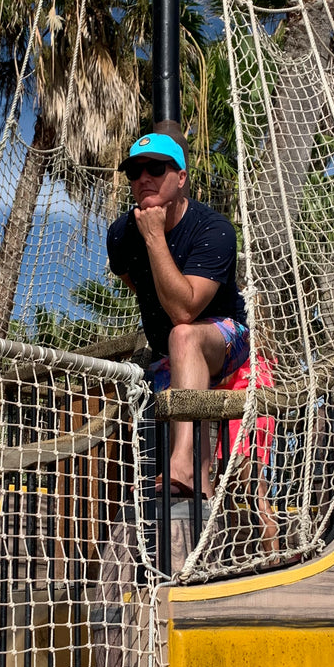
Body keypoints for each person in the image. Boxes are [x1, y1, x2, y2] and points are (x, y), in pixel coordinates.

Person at [107, 122, 248, 497]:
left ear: (181, 176)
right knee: (173, 348)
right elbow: (132, 280)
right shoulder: (120, 234)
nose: (143, 179)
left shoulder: (214, 229)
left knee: (183, 333)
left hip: (225, 339)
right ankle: (195, 490)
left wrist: (154, 237)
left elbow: (184, 312)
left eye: (156, 169)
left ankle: (182, 463)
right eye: (135, 172)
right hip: (169, 351)